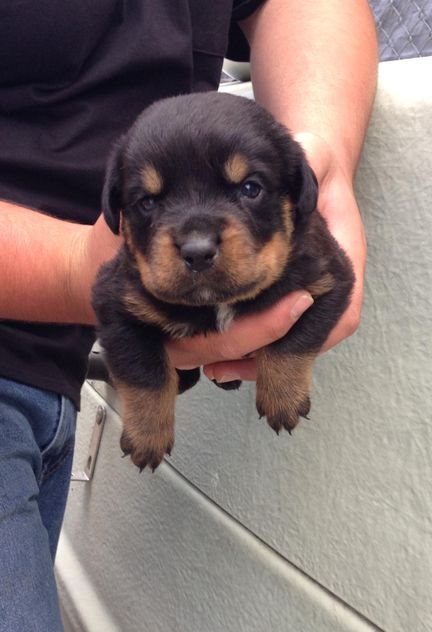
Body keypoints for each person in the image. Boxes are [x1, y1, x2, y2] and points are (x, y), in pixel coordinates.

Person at [0, 1, 377, 630]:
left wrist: (325, 140)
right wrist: (78, 265)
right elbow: (113, 312)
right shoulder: (122, 274)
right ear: (119, 212)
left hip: (53, 379)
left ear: (295, 196)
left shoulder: (303, 242)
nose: (198, 241)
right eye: (149, 203)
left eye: (248, 188)